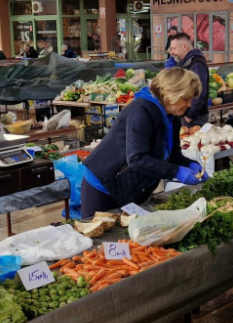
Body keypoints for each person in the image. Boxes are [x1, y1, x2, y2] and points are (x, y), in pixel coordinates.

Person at [81, 68, 207, 218]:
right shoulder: (142, 111)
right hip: (104, 185)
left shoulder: (171, 117)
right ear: (171, 94)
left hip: (129, 185)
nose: (189, 105)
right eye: (186, 99)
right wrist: (176, 171)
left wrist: (190, 165)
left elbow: (172, 155)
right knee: (101, 236)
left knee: (130, 234)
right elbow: (137, 159)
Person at [167, 32, 209, 127]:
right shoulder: (185, 61)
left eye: (174, 48)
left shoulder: (196, 63)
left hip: (194, 118)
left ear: (185, 47)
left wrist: (189, 116)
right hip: (186, 114)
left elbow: (199, 92)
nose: (172, 52)